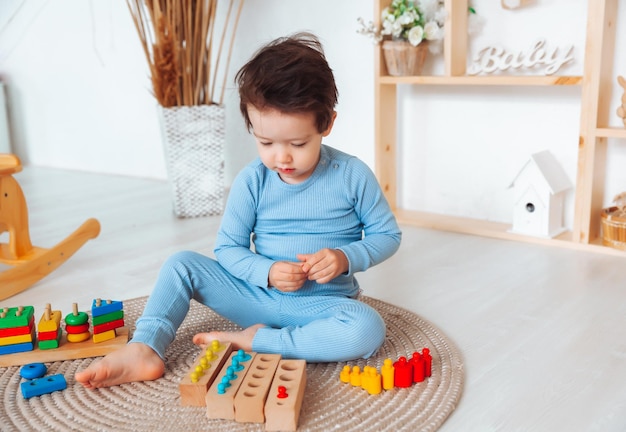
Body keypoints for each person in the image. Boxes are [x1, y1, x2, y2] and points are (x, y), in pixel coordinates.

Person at [75, 32, 401, 389]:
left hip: (322, 306)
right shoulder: (253, 181)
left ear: (327, 124)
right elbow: (228, 249)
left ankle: (258, 341)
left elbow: (388, 235)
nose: (282, 157)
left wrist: (344, 257)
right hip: (258, 298)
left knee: (367, 328)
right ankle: (145, 348)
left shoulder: (351, 174)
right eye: (266, 142)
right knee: (181, 265)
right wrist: (267, 270)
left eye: (298, 143)